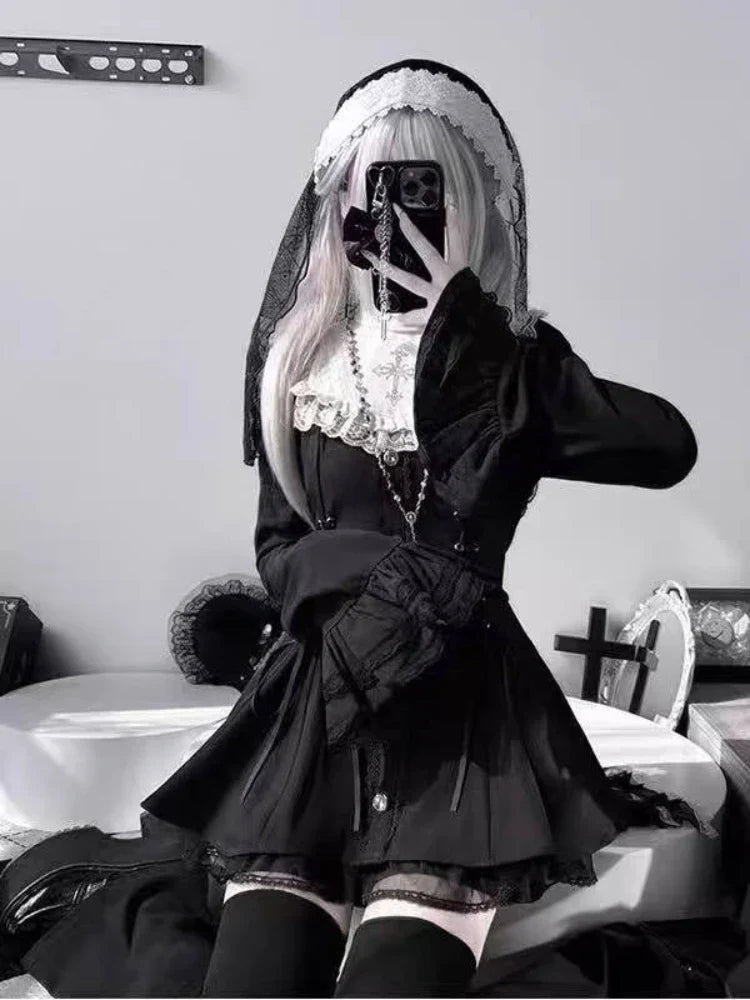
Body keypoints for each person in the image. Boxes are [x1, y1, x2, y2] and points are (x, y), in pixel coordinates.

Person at [0, 57, 713, 998]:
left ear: (470, 207)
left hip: (463, 726)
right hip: (321, 705)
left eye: (426, 190)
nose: (396, 213)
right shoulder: (301, 361)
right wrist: (374, 589)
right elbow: (277, 547)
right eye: (371, 187)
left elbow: (664, 447)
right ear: (338, 202)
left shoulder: (513, 364)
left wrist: (470, 330)